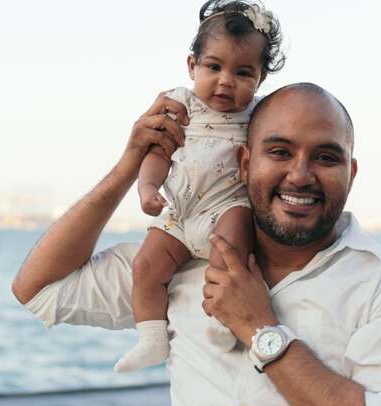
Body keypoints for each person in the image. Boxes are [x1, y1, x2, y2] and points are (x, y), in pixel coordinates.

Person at [11, 82, 381, 406]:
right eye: (279, 152)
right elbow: (38, 289)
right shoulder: (181, 261)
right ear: (244, 162)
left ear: (351, 174)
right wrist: (131, 166)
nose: (300, 175)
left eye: (325, 157)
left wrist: (260, 328)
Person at [115, 0, 285, 373]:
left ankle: (222, 320)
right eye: (214, 67)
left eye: (243, 72)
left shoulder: (258, 113)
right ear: (192, 66)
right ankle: (152, 338)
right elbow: (159, 152)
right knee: (145, 266)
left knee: (230, 254)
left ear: (259, 80)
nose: (226, 80)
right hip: (179, 210)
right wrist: (146, 189)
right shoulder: (180, 105)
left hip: (227, 208)